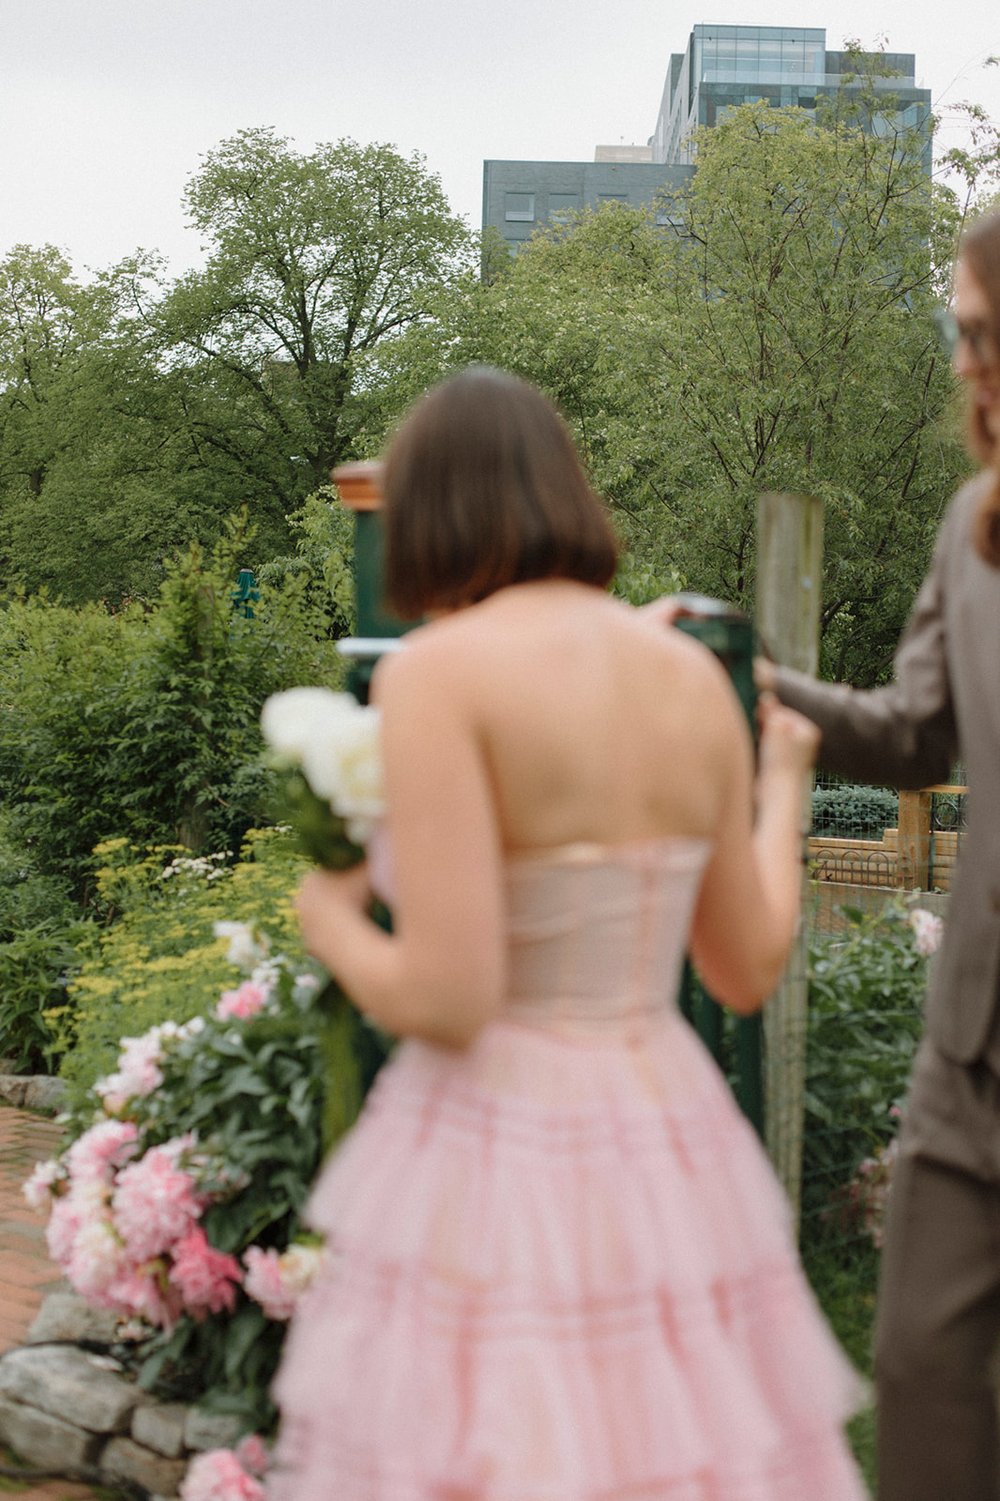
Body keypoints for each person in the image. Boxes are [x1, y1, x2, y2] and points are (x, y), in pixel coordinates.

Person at [267, 366, 867, 1500]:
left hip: (497, 1141)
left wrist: (325, 919)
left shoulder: (440, 675)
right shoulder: (692, 684)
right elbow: (742, 972)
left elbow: (448, 995)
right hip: (668, 1141)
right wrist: (784, 782)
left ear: (430, 511)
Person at [754, 208, 1000, 1501]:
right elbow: (915, 730)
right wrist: (769, 691)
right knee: (920, 1378)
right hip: (972, 1058)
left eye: (976, 330)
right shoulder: (971, 528)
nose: (960, 360)